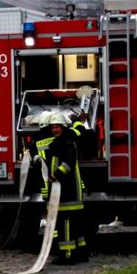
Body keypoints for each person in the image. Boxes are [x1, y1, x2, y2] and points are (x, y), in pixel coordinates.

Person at [47, 112, 88, 264]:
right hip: (67, 189)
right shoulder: (62, 141)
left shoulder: (65, 142)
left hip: (67, 190)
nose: (55, 130)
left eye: (57, 127)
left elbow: (68, 163)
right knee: (76, 224)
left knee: (66, 224)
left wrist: (56, 175)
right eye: (53, 127)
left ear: (63, 127)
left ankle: (67, 255)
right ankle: (81, 252)